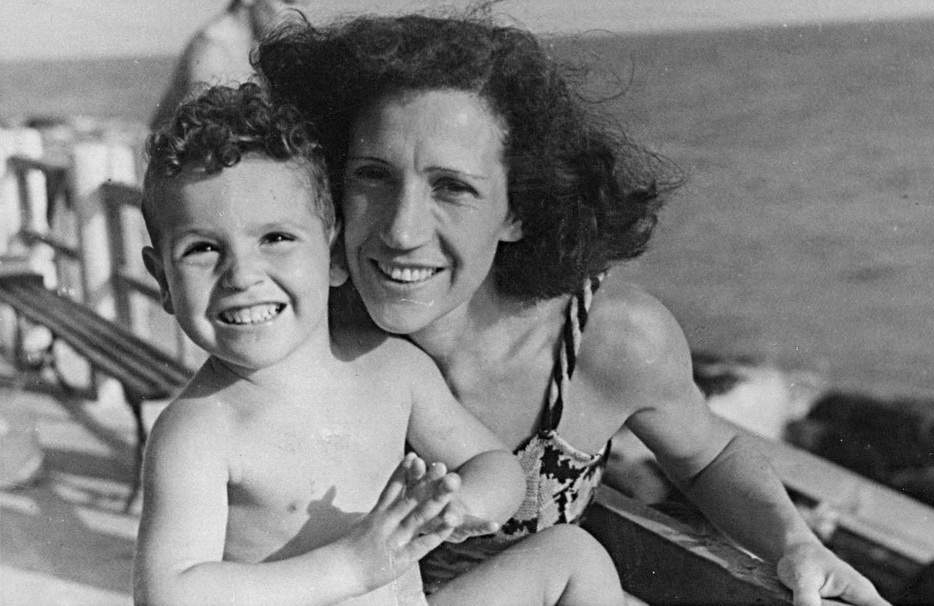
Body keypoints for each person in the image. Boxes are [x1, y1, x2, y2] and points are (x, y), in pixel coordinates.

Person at [255, 12, 892, 606]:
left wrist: (796, 544)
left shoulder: (608, 339)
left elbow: (709, 456)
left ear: (518, 211)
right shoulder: (302, 327)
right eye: (373, 175)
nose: (401, 229)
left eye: (453, 187)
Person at [133, 82, 626, 606]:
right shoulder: (198, 430)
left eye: (276, 238)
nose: (243, 275)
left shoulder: (391, 369)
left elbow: (494, 464)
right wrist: (348, 567)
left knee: (574, 557)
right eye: (203, 248)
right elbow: (169, 593)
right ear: (162, 280)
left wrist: (461, 505)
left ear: (336, 254)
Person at [149, 0, 303, 130]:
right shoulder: (213, 51)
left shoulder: (256, 47)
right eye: (287, 1)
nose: (296, 14)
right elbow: (204, 136)